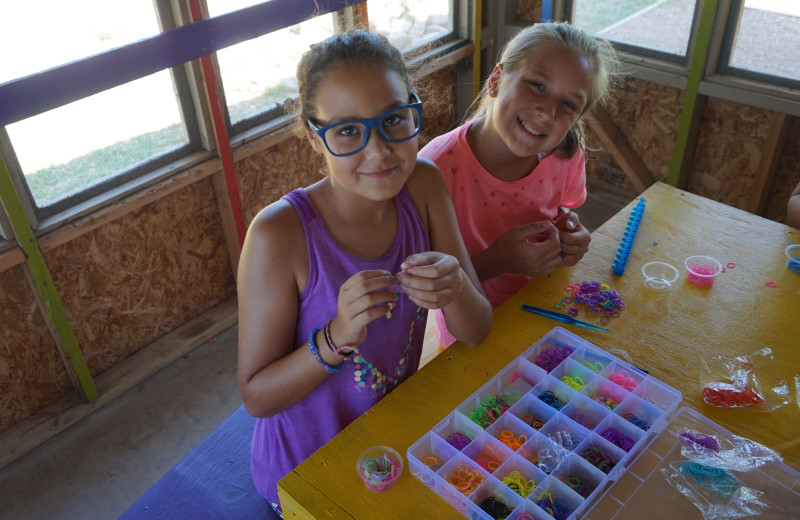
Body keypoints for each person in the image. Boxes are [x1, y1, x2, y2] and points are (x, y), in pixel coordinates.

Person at [236, 30, 493, 517]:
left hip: (390, 443)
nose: (379, 151)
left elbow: (476, 330)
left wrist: (455, 285)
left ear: (414, 111)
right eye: (348, 131)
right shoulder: (280, 235)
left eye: (394, 119)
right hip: (303, 472)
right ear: (315, 138)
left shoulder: (423, 185)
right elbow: (256, 396)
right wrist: (335, 337)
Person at [419, 21, 620, 347]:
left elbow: (559, 211)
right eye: (538, 85)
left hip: (548, 308)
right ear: (497, 79)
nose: (547, 112)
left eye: (569, 104)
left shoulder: (566, 154)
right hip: (470, 335)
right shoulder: (434, 172)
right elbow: (421, 287)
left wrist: (570, 237)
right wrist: (500, 261)